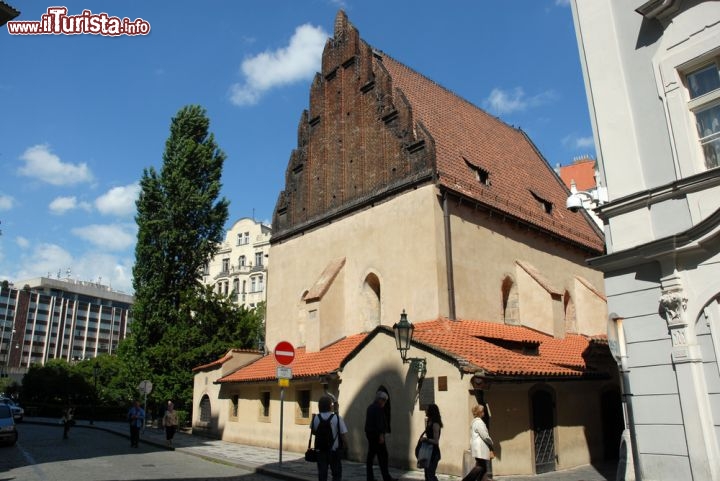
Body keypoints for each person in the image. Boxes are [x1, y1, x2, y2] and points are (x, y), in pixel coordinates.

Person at [311, 394, 348, 481]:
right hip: (334, 451)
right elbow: (343, 435)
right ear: (330, 406)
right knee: (336, 474)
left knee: (322, 475)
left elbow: (313, 432)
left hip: (320, 451)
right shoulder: (337, 418)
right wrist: (346, 446)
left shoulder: (316, 418)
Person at [365, 390, 395, 481]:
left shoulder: (370, 407)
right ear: (380, 400)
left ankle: (370, 478)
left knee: (370, 457)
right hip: (377, 436)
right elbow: (380, 423)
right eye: (384, 401)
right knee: (383, 456)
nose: (385, 403)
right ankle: (386, 477)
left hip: (370, 435)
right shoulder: (378, 408)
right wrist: (381, 435)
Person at [461, 404, 494, 481]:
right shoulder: (479, 422)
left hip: (478, 447)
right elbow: (484, 435)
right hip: (480, 448)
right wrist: (491, 442)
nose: (484, 413)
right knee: (480, 467)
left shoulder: (475, 422)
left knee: (483, 467)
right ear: (480, 412)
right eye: (483, 411)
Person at [421, 403, 443, 481]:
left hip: (433, 453)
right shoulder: (429, 421)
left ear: (431, 411)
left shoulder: (435, 424)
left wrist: (425, 440)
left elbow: (436, 441)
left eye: (427, 410)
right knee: (427, 475)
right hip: (427, 452)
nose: (425, 411)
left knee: (430, 475)